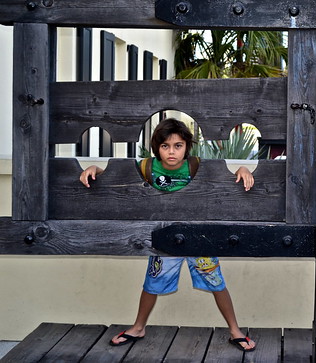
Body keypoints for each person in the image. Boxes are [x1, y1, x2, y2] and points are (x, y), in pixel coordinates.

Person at [79, 118, 257, 352]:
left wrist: (243, 169)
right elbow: (117, 175)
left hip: (197, 237)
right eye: (165, 146)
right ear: (157, 148)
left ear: (186, 147)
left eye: (178, 145)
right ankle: (139, 326)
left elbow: (226, 175)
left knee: (217, 283)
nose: (171, 152)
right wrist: (96, 169)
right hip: (164, 238)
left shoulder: (196, 166)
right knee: (152, 284)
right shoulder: (147, 168)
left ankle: (235, 330)